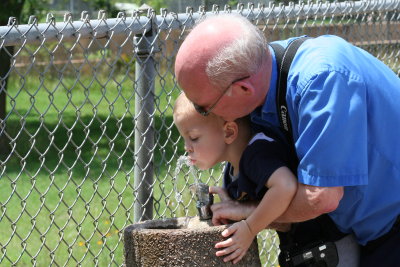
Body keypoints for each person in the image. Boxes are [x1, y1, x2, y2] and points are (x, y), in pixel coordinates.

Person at [174, 13, 400, 267]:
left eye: (204, 109)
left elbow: (321, 197)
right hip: (366, 229)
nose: (205, 116)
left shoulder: (321, 81)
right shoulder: (261, 75)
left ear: (243, 90)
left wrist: (250, 215)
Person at [173, 92, 298, 264]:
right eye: (184, 139)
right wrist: (234, 205)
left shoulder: (257, 153)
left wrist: (249, 228)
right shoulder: (233, 168)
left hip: (329, 246)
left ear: (229, 132)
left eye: (193, 138)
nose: (187, 147)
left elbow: (285, 186)